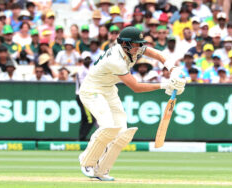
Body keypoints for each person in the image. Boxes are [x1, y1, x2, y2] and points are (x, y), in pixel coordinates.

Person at [78, 26, 186, 181]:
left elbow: (156, 54)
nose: (140, 47)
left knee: (122, 132)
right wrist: (165, 85)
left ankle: (101, 170)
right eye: (137, 44)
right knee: (108, 126)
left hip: (108, 89)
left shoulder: (134, 49)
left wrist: (172, 68)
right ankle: (87, 161)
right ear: (125, 44)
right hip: (91, 90)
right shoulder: (115, 60)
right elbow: (135, 87)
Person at [76, 51, 96, 141]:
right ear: (82, 60)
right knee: (90, 119)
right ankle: (82, 137)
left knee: (85, 118)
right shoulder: (80, 70)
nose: (88, 60)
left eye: (89, 59)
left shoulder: (91, 69)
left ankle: (81, 137)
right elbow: (82, 84)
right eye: (86, 59)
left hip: (88, 96)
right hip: (82, 95)